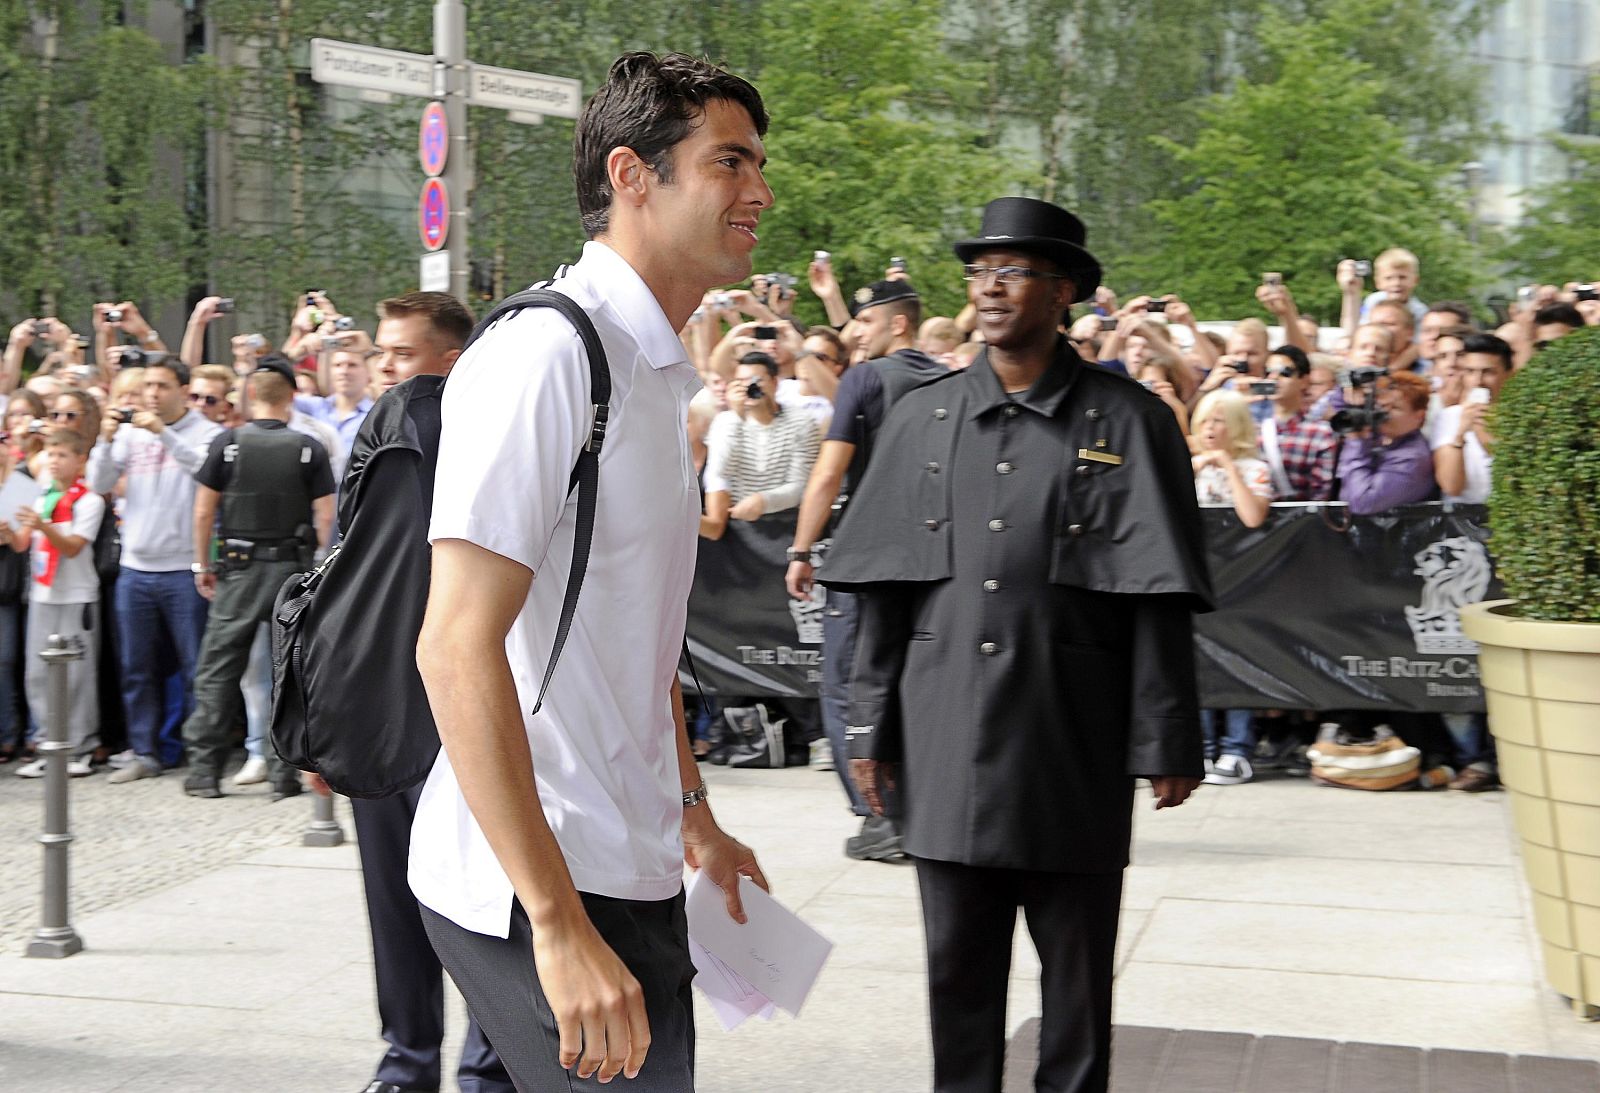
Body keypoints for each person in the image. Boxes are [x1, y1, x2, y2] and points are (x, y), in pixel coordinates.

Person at [410, 52, 772, 1090]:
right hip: (538, 878)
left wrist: (693, 812)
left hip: (627, 859)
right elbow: (454, 645)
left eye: (759, 165)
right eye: (730, 162)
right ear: (631, 174)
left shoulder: (653, 370)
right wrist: (558, 922)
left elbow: (636, 640)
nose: (760, 191)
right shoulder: (547, 354)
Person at [820, 197, 1211, 1093]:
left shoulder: (1130, 420)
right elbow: (885, 590)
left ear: (1064, 290)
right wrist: (869, 726)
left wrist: (1167, 735)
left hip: (1073, 740)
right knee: (956, 975)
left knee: (1077, 984)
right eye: (979, 272)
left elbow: (1159, 597)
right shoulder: (920, 416)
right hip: (943, 734)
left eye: (1014, 272)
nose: (990, 289)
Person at [784, 278, 946, 862]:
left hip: (870, 561)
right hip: (938, 559)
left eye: (867, 322)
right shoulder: (952, 379)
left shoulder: (865, 378)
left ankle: (879, 817)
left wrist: (801, 550)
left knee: (850, 684)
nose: (856, 334)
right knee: (918, 684)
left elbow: (829, 474)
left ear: (898, 324)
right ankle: (925, 812)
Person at [179, 356, 335, 799]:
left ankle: (204, 771)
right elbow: (326, 516)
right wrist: (316, 568)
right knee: (289, 670)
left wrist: (202, 565)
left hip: (238, 571)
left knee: (218, 669)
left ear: (250, 394)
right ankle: (284, 773)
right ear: (291, 397)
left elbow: (203, 511)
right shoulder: (308, 447)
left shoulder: (227, 443)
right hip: (290, 570)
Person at [89, 360, 223, 783]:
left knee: (195, 667)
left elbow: (207, 472)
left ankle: (198, 754)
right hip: (136, 568)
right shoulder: (130, 433)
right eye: (147, 385)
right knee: (137, 668)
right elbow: (98, 483)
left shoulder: (207, 432)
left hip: (185, 568)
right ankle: (145, 752)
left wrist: (163, 433)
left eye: (162, 386)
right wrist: (105, 440)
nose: (151, 393)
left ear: (183, 390)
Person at [9, 429, 106, 778]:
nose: (54, 461)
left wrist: (43, 526)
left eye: (62, 455)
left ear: (80, 460)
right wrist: (10, 531)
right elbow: (22, 544)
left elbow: (73, 547)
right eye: (50, 454)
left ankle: (80, 746)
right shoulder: (41, 497)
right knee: (37, 674)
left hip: (77, 596)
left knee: (77, 674)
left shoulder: (89, 500)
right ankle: (46, 743)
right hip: (42, 594)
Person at [698, 351, 820, 539]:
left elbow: (800, 485)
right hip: (738, 525)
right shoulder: (725, 422)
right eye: (741, 382)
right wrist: (737, 415)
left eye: (756, 380)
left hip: (787, 523)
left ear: (775, 382)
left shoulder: (802, 421)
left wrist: (763, 501)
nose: (750, 387)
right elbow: (720, 471)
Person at [1336, 371, 1439, 515]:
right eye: (1382, 406)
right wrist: (1354, 389)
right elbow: (1334, 404)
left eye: (1395, 408)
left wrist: (1356, 442)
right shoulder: (1381, 438)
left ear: (1419, 416)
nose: (1384, 414)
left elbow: (1362, 503)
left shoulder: (1412, 458)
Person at [1258, 345, 1336, 501]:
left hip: (1302, 514)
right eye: (1268, 372)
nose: (1274, 378)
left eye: (1285, 372)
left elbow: (1321, 493)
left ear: (1304, 381)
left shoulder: (1321, 433)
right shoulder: (1252, 429)